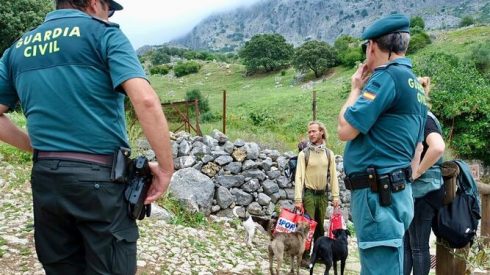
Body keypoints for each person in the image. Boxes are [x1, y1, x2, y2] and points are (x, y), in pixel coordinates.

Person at [0, 0, 174, 274]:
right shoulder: (104, 34)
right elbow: (146, 101)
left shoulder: (18, 49)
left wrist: (35, 146)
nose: (110, 16)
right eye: (110, 9)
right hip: (100, 180)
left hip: (46, 177)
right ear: (94, 3)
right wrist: (165, 168)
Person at [337, 14, 428, 275]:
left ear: (373, 46)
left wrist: (355, 88)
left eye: (366, 46)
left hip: (378, 196)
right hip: (397, 193)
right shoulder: (415, 85)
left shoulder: (386, 78)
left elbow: (345, 129)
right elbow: (418, 148)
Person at [404, 77, 445, 275]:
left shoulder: (425, 118)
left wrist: (417, 172)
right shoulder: (419, 117)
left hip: (424, 190)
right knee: (409, 245)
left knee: (417, 246)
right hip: (416, 191)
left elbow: (437, 147)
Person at [294, 121, 340, 245]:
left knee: (320, 227)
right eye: (309, 132)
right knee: (307, 225)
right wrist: (298, 199)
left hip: (323, 195)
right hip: (309, 194)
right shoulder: (304, 154)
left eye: (314, 131)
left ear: (321, 132)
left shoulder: (329, 153)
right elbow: (299, 177)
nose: (311, 134)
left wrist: (336, 196)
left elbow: (334, 176)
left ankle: (319, 254)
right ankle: (304, 256)